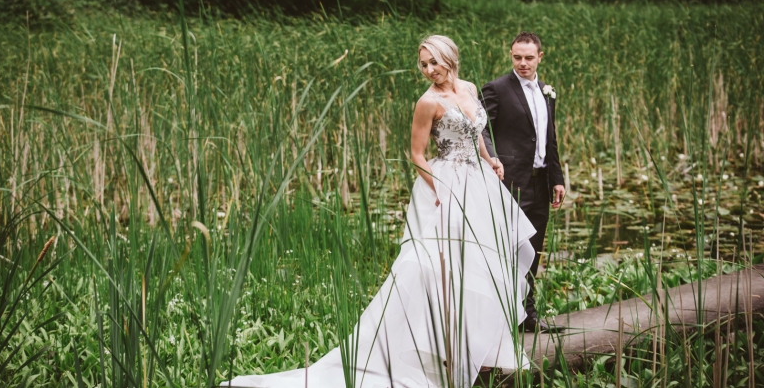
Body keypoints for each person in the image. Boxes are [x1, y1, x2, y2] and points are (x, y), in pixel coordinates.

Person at [222, 35, 536, 388]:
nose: (428, 70)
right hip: (446, 184)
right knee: (437, 267)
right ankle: (435, 348)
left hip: (478, 184)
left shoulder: (469, 89)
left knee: (480, 262)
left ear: (450, 59)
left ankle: (476, 345)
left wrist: (490, 158)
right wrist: (441, 190)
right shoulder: (426, 102)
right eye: (423, 64)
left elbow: (476, 133)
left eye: (434, 62)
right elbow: (416, 155)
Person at [480, 31, 566, 333]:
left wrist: (557, 178)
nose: (523, 63)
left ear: (540, 57)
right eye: (517, 57)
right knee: (504, 250)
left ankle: (527, 315)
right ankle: (500, 318)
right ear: (511, 55)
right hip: (509, 184)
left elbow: (549, 138)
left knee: (533, 250)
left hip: (540, 184)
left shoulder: (547, 92)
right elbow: (481, 131)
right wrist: (492, 160)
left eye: (529, 57)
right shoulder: (496, 89)